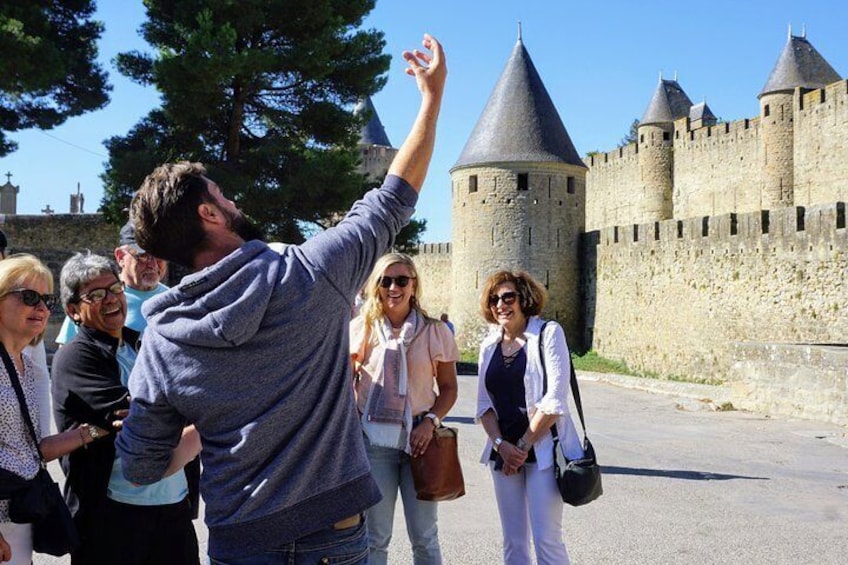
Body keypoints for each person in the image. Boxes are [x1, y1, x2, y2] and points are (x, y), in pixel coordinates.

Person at [114, 33, 447, 564]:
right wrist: (431, 102)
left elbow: (140, 466)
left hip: (239, 541)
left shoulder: (163, 340)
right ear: (209, 215)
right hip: (333, 536)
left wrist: (209, 427)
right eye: (221, 194)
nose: (232, 197)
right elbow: (391, 201)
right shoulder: (310, 273)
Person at [51, 252, 200, 565]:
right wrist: (190, 407)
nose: (111, 299)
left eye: (115, 288)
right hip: (113, 515)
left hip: (172, 508)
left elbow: (190, 390)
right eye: (96, 294)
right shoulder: (77, 356)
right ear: (73, 311)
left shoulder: (143, 342)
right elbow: (136, 415)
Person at [350, 253, 459, 564]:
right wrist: (358, 421)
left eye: (401, 280)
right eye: (385, 281)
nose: (393, 287)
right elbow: (345, 384)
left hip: (421, 440)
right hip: (374, 443)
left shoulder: (435, 331)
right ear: (377, 286)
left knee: (425, 536)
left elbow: (449, 388)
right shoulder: (363, 328)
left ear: (414, 285)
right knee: (375, 537)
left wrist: (431, 423)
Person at [0, 254, 109, 565]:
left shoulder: (28, 368)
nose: (43, 309)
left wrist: (100, 427)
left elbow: (33, 450)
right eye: (29, 297)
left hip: (21, 517)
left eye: (47, 301)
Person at [475, 270, 585, 565]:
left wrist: (521, 447)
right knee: (513, 542)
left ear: (524, 299)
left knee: (546, 539)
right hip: (504, 454)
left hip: (540, 450)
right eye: (494, 299)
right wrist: (502, 446)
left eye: (508, 296)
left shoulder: (548, 334)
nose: (501, 304)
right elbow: (484, 406)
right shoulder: (489, 345)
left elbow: (554, 401)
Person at [55, 220, 169, 345]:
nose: (153, 264)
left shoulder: (175, 300)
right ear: (120, 257)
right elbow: (68, 352)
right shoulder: (93, 298)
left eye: (160, 255)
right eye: (143, 256)